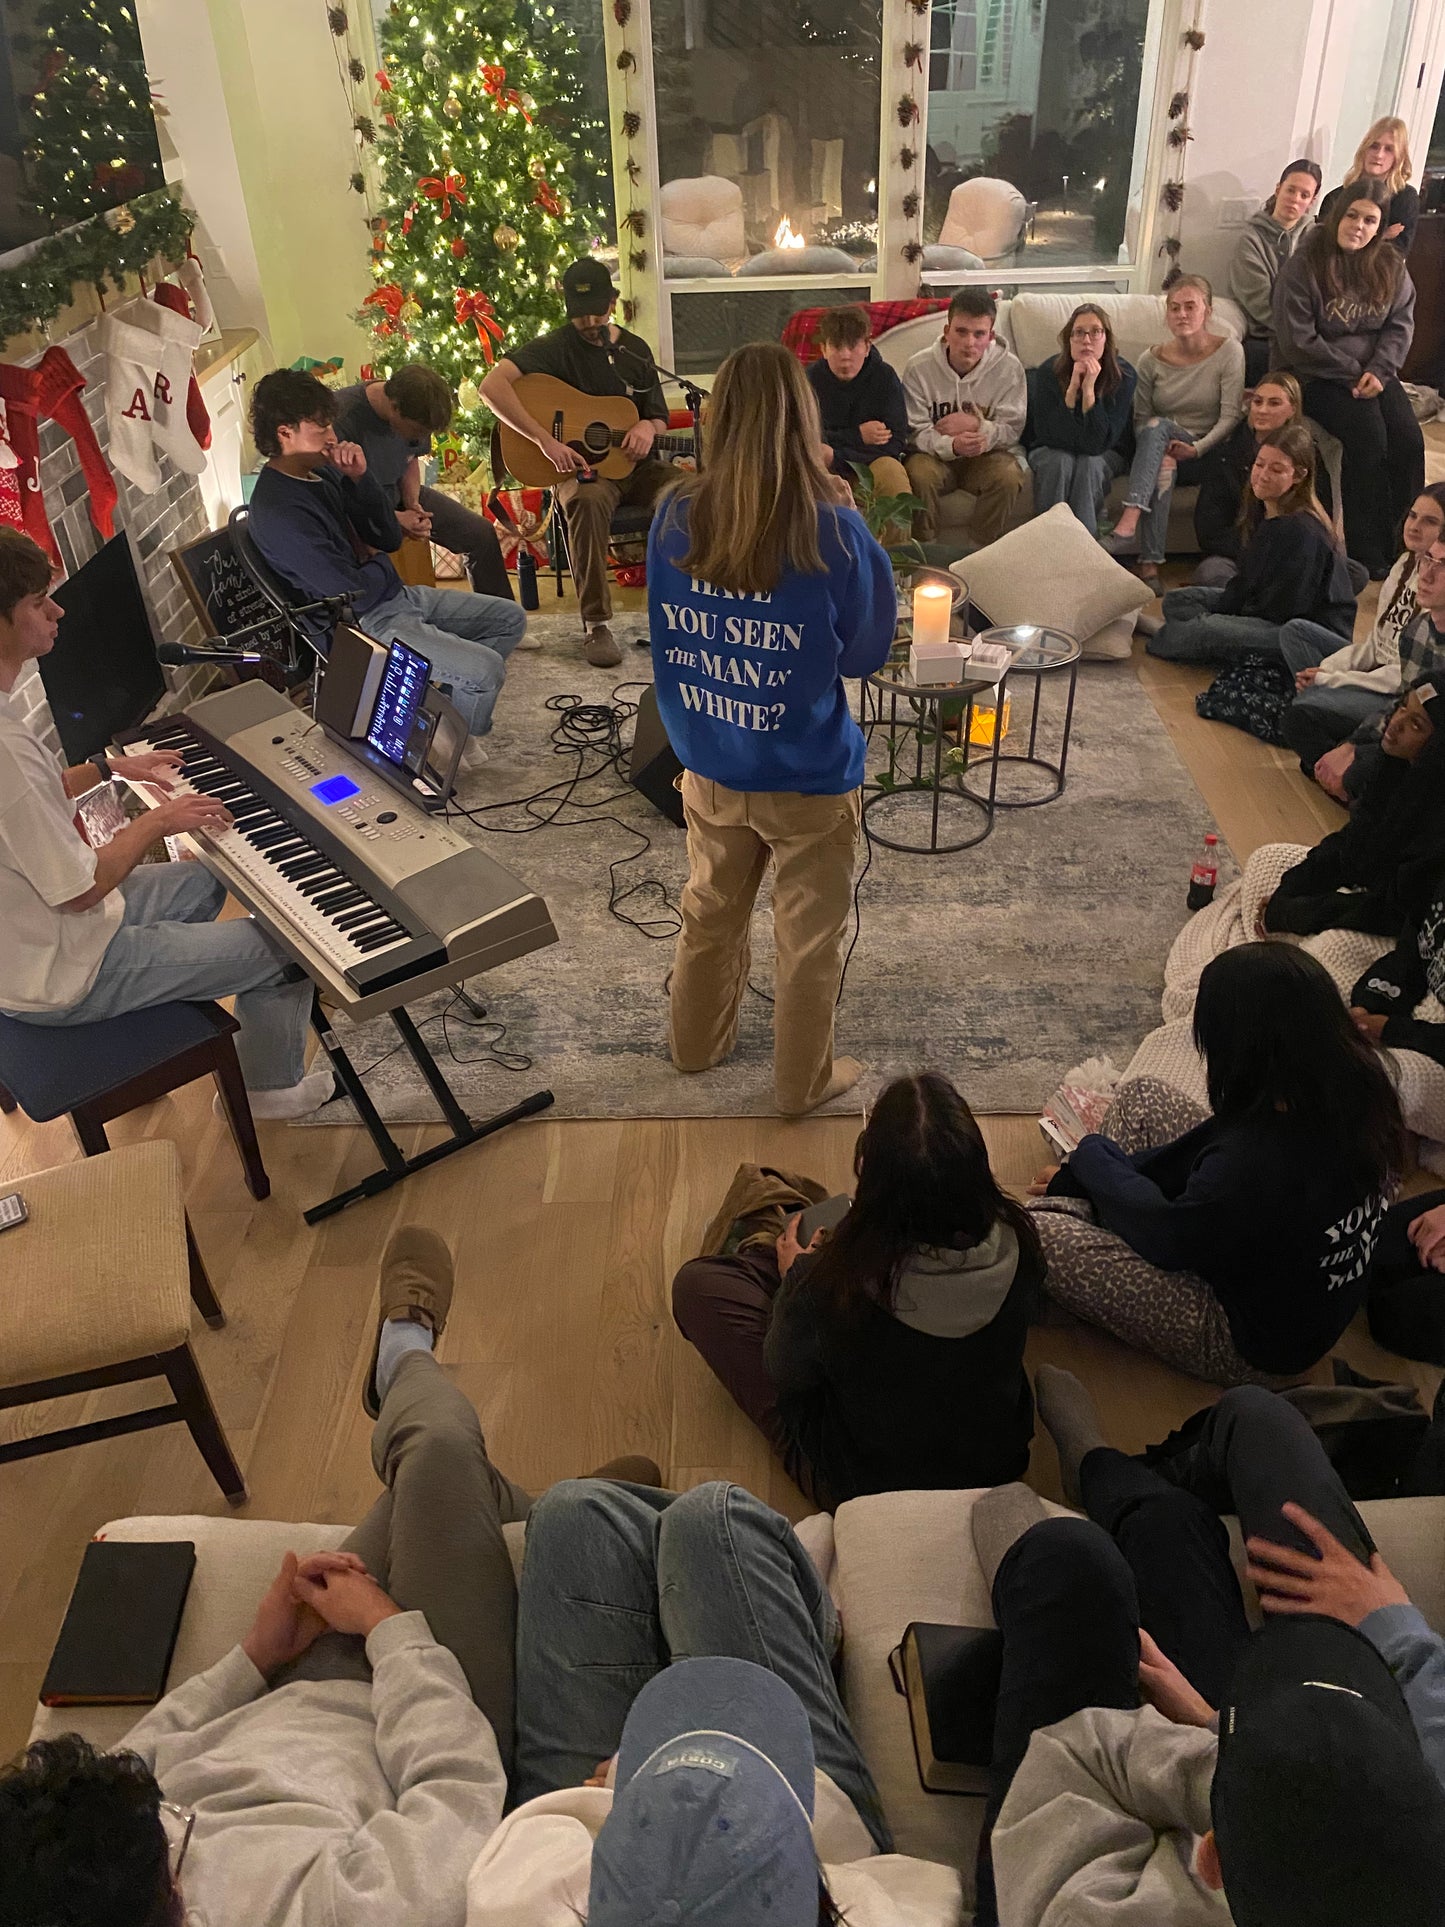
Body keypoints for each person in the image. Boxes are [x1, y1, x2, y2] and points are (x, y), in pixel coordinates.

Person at [974, 1374, 1445, 1927]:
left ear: (1211, 1857)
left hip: (1052, 1874)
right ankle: (1104, 1473)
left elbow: (1073, 1760)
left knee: (1069, 1561)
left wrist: (1221, 1755)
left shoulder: (1087, 1911)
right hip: (1257, 1852)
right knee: (1176, 1519)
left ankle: (1060, 1506)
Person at [466, 1481, 963, 1927]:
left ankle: (668, 1571)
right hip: (823, 1839)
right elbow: (907, 1887)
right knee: (712, 1519)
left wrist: (634, 1790)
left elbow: (527, 1854)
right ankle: (792, 1623)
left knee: (575, 1513)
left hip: (592, 1820)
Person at [0, 528, 335, 1118]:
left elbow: (25, 806)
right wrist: (158, 821)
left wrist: (107, 765)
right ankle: (270, 1089)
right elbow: (79, 891)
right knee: (298, 945)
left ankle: (198, 977)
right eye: (36, 602)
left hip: (32, 938)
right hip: (62, 974)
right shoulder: (4, 745)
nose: (58, 609)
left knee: (215, 874)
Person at [648, 342, 894, 1117]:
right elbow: (863, 652)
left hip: (710, 764)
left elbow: (664, 632)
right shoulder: (836, 532)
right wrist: (855, 528)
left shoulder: (671, 515)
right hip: (808, 776)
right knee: (808, 940)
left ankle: (694, 1047)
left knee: (708, 913)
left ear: (716, 419)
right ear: (801, 416)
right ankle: (800, 1085)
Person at [1028, 943, 1404, 1385]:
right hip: (1281, 1274)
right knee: (1142, 1097)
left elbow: (1169, 1234)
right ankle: (1087, 1214)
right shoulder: (1355, 1086)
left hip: (1247, 1341)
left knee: (1034, 1232)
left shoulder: (1254, 1160)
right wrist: (1091, 1176)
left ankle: (1073, 1235)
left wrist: (1090, 1157)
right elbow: (1210, 1152)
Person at [671, 1071, 1046, 1507]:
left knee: (697, 1287)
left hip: (869, 1490)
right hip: (993, 1468)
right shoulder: (1020, 1240)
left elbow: (783, 1370)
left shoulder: (833, 1285)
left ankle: (762, 1249)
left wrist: (796, 1276)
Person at [246, 370, 525, 760]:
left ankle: (434, 712)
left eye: (330, 423)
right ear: (284, 433)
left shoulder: (323, 473)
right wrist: (375, 560)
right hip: (365, 621)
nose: (332, 435)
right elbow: (347, 591)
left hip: (393, 596)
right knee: (485, 671)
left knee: (510, 620)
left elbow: (388, 539)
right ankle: (445, 749)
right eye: (320, 426)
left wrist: (360, 480)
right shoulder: (279, 510)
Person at [480, 258, 671, 668]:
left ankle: (681, 611)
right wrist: (545, 441)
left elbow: (657, 414)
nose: (587, 321)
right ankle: (596, 624)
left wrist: (648, 428)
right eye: (578, 312)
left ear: (614, 302)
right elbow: (491, 386)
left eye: (597, 311)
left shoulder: (634, 350)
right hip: (580, 471)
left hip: (638, 469)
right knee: (584, 501)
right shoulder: (554, 347)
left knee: (690, 495)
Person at [1272, 178, 1422, 578]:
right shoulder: (1303, 265)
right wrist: (1355, 372)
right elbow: (1297, 340)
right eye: (1352, 215)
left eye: (1370, 220)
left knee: (1408, 438)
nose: (1358, 225)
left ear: (1380, 227)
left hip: (1374, 372)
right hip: (1314, 374)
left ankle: (1410, 543)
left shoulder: (1389, 266)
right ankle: (1366, 551)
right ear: (1337, 215)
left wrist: (1379, 370)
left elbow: (1400, 325)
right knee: (1369, 436)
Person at [1145, 423, 1354, 664]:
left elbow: (1286, 608)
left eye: (1276, 470)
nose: (1263, 475)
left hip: (1299, 630)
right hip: (1263, 609)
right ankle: (1196, 638)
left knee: (1206, 629)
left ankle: (1179, 637)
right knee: (1178, 601)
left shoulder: (1301, 529)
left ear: (1298, 475)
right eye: (1259, 464)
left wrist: (1232, 616)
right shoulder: (1264, 510)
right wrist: (1231, 607)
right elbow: (1246, 582)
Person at [1265, 678, 1445, 937]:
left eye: (1415, 725)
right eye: (1402, 707)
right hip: (1376, 894)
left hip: (1413, 928)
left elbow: (1395, 912)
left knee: (1331, 945)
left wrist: (1298, 914)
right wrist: (1289, 891)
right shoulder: (1398, 767)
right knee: (1268, 862)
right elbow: (1355, 841)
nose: (1395, 723)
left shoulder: (1436, 821)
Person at [1281, 489, 1445, 773]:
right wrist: (1328, 670)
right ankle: (1334, 739)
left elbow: (1401, 678)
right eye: (1413, 516)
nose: (1414, 526)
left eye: (1429, 521)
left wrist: (1332, 680)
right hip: (1374, 674)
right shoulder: (1403, 566)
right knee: (1295, 633)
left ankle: (1336, 759)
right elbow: (1375, 643)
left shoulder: (1435, 594)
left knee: (1304, 707)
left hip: (1391, 691)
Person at [1102, 275, 1246, 586]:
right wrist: (1163, 445)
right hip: (1157, 447)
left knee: (1159, 430)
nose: (1181, 314)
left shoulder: (1229, 352)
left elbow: (1231, 416)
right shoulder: (1150, 360)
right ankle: (1151, 567)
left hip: (1205, 451)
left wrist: (1196, 448)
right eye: (1174, 308)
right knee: (1160, 451)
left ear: (1207, 311)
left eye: (1190, 307)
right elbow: (1140, 419)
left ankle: (1129, 521)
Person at [330, 363, 515, 601]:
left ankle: (499, 622)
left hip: (396, 493)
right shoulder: (343, 417)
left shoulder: (417, 412)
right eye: (417, 431)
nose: (420, 438)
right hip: (357, 510)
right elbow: (336, 499)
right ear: (394, 407)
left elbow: (410, 460)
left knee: (480, 534)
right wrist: (394, 519)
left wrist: (413, 503)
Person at [902, 287, 1027, 544]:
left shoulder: (1010, 368)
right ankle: (927, 552)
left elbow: (1013, 428)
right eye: (961, 332)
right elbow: (913, 431)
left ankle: (978, 552)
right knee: (918, 472)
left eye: (979, 334)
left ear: (990, 336)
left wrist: (980, 428)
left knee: (1009, 474)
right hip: (934, 459)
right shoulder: (919, 368)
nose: (969, 343)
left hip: (986, 457)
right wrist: (953, 445)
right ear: (947, 332)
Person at [1023, 303, 1137, 535]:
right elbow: (1048, 435)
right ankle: (1047, 544)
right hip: (1049, 450)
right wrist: (1071, 390)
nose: (1087, 340)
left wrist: (1088, 392)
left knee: (1088, 463)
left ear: (1107, 339)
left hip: (1108, 452)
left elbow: (1097, 445)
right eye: (1079, 333)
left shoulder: (1124, 376)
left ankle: (1085, 549)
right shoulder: (1047, 372)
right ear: (1069, 339)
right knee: (1060, 461)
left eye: (1095, 332)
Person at [1190, 370, 1305, 581]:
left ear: (1292, 409)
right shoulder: (1226, 455)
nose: (1262, 410)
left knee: (1352, 572)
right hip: (1240, 555)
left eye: (1274, 403)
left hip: (1288, 554)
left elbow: (1315, 521)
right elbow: (1210, 531)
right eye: (1257, 402)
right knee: (1212, 572)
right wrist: (1257, 552)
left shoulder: (1306, 455)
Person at [805, 303, 911, 505]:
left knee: (892, 474)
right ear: (824, 349)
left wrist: (837, 455)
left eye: (853, 346)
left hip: (871, 465)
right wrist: (858, 435)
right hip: (822, 467)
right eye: (837, 347)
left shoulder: (885, 377)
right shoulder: (808, 380)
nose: (845, 356)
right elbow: (808, 439)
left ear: (867, 347)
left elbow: (895, 442)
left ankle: (899, 538)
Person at [1228, 159, 1323, 383]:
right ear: (1278, 189)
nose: (1295, 200)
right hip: (1267, 337)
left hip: (1313, 336)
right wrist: (1302, 335)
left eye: (1304, 195)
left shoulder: (1319, 239)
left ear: (1312, 201)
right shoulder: (1250, 240)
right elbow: (1259, 302)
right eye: (1291, 190)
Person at [1317, 116, 1420, 255]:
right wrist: (1382, 237)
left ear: (1399, 156)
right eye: (1374, 146)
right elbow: (1324, 247)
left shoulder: (1405, 199)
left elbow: (1394, 256)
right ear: (1364, 149)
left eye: (1389, 149)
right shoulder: (1335, 197)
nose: (1378, 155)